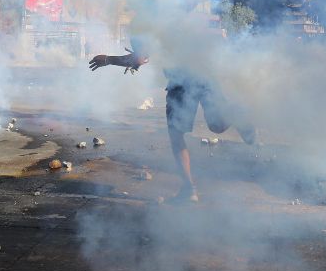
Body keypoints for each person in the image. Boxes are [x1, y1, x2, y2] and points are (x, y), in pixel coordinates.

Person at [89, 33, 256, 203]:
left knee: (176, 136)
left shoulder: (144, 25)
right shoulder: (178, 17)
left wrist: (108, 59)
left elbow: (138, 58)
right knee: (217, 126)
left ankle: (189, 190)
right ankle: (237, 114)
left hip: (181, 83)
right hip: (206, 76)